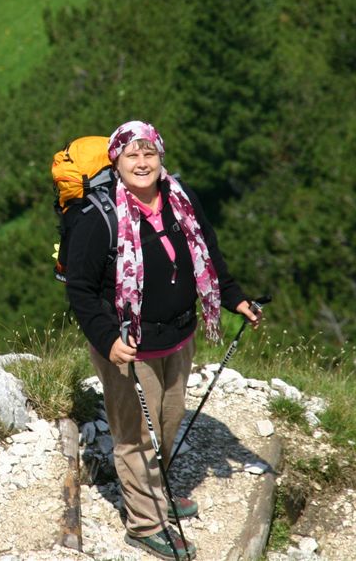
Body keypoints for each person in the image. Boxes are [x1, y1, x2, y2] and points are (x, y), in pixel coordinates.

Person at [65, 121, 259, 560]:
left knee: (168, 422)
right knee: (135, 434)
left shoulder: (180, 199)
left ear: (161, 157)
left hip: (178, 335)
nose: (142, 162)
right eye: (131, 154)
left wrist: (234, 298)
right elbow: (80, 289)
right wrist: (106, 337)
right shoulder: (99, 217)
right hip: (126, 346)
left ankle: (156, 488)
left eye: (149, 153)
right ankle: (146, 523)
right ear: (116, 160)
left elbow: (207, 250)